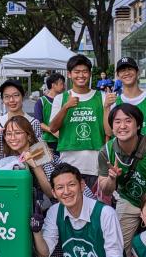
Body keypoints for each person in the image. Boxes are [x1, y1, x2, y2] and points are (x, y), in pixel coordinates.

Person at [96, 103, 146, 253]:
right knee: (118, 247)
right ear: (112, 127)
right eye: (117, 122)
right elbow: (105, 190)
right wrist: (112, 178)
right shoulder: (106, 151)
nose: (122, 126)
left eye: (128, 121)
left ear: (138, 125)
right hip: (129, 199)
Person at [49, 54, 114, 188]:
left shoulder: (101, 97)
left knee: (95, 206)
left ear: (90, 74)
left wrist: (107, 107)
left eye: (84, 72)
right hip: (69, 162)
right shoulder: (61, 99)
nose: (81, 75)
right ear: (69, 74)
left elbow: (109, 131)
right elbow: (52, 128)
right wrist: (66, 107)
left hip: (96, 164)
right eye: (76, 72)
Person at [0, 115, 54, 198]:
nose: (12, 138)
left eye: (17, 133)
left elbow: (52, 194)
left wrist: (35, 166)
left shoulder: (39, 151)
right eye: (9, 134)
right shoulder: (12, 155)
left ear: (29, 136)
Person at [0, 79, 42, 159]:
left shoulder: (33, 123)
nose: (11, 100)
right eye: (6, 96)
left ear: (23, 96)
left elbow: (39, 154)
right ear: (3, 100)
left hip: (26, 170)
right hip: (3, 170)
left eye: (16, 95)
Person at [113, 57, 146, 139]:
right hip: (122, 151)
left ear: (137, 72)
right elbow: (109, 132)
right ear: (118, 75)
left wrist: (145, 141)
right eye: (122, 70)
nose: (127, 73)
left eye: (130, 69)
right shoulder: (114, 101)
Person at [34, 73, 65, 154]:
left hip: (64, 140)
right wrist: (52, 131)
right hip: (48, 141)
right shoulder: (41, 101)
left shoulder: (65, 100)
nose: (64, 86)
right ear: (53, 85)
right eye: (61, 84)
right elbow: (38, 123)